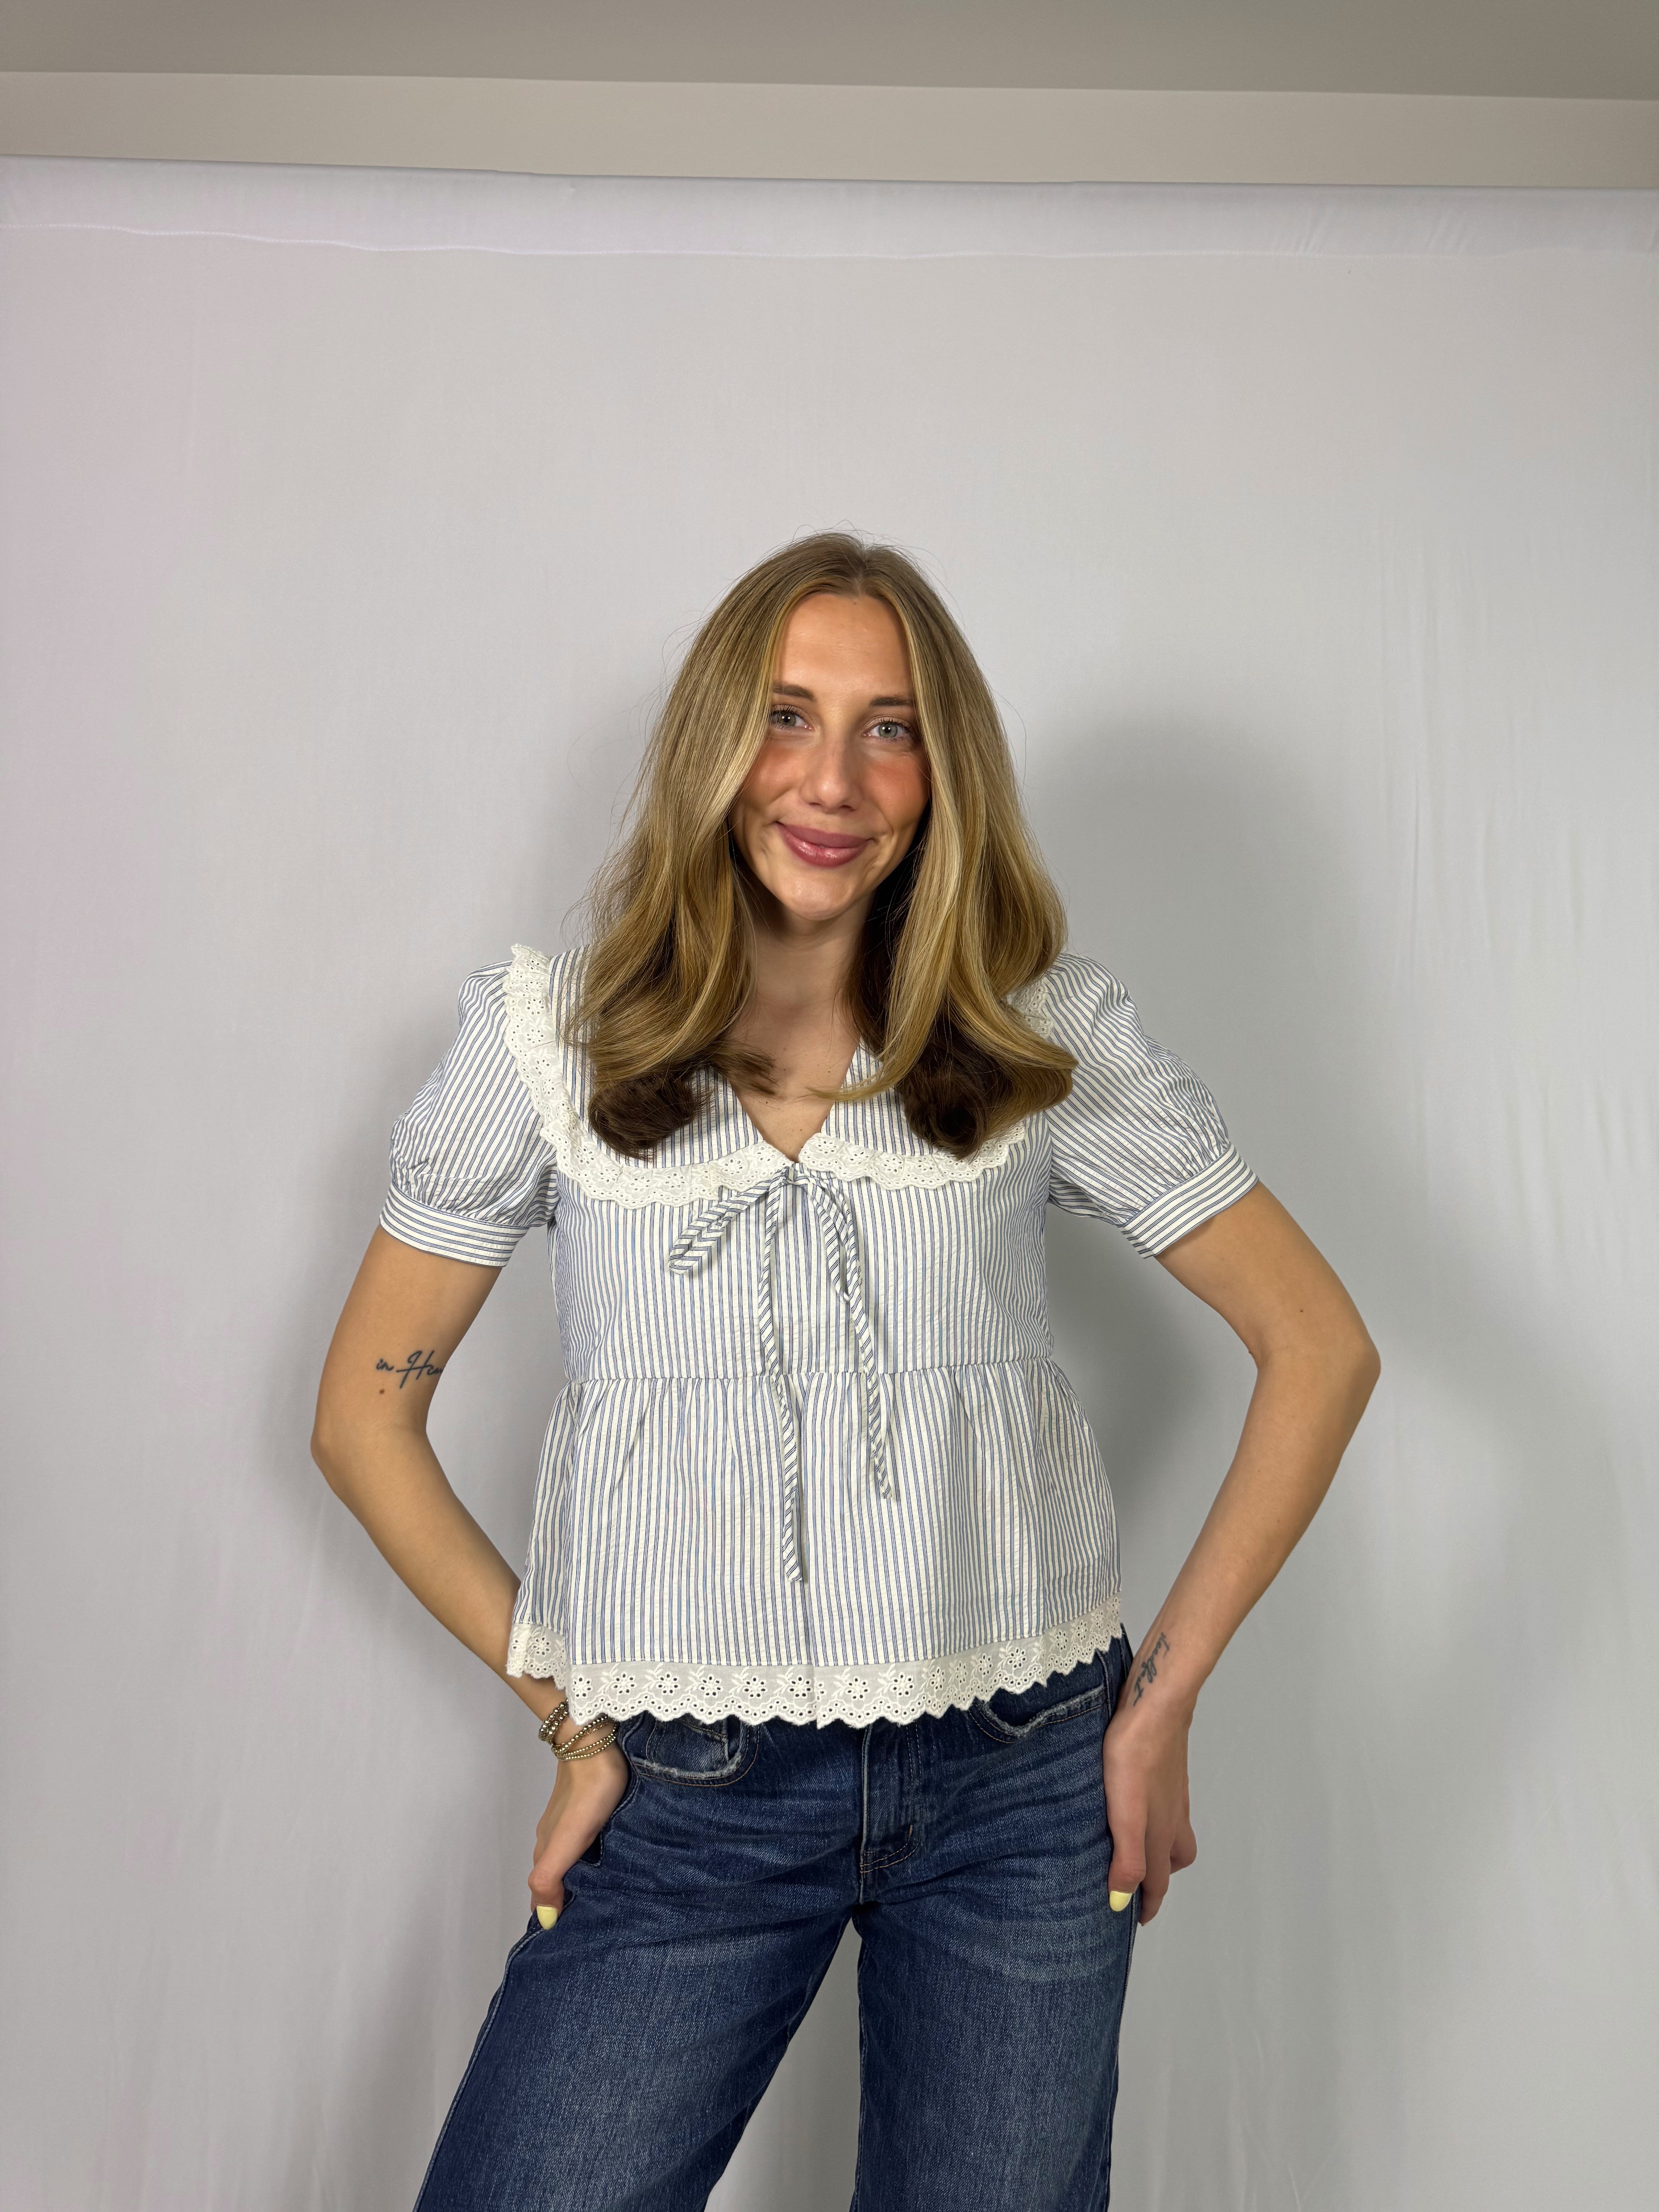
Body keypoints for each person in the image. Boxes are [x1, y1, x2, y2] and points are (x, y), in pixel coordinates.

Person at [311, 533, 1379, 2212]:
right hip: (690, 1794)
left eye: (890, 727)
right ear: (713, 748)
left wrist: (1160, 1698)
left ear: (942, 772)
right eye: (788, 716)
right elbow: (365, 1411)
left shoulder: (1044, 1034)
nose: (833, 778)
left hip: (1025, 1781)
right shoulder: (546, 1043)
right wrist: (568, 1714)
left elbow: (1318, 1344)